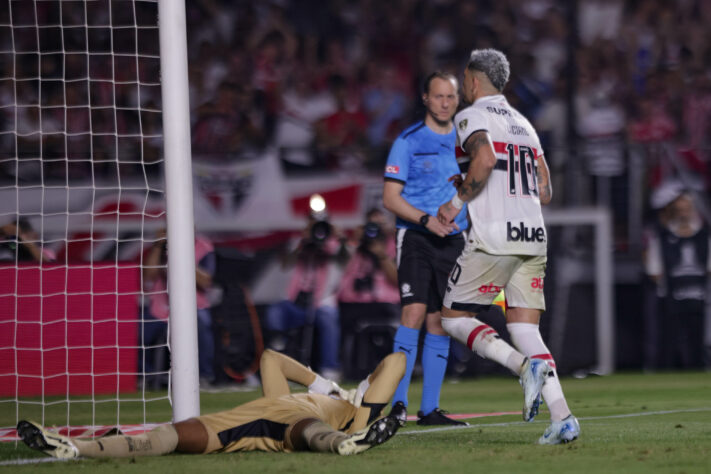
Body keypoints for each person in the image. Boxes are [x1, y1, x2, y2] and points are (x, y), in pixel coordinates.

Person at [436, 49, 579, 445]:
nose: (463, 87)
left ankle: (521, 368)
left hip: (496, 237)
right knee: (524, 328)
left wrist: (455, 203)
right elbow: (546, 191)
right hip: (533, 238)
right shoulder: (525, 124)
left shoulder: (471, 116)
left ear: (474, 81)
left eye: (465, 81)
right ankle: (564, 417)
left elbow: (483, 157)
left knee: (451, 317)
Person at [17, 349, 404, 459]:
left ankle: (344, 446)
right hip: (254, 418)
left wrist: (362, 409)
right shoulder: (326, 396)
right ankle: (76, 449)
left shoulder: (354, 416)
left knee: (312, 431)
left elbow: (396, 362)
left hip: (303, 423)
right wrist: (327, 385)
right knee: (171, 436)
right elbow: (271, 359)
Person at [381, 71, 471, 426]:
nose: (446, 103)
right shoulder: (408, 141)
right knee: (414, 315)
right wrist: (425, 221)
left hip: (454, 239)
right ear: (425, 99)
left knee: (441, 322)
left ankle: (430, 409)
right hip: (417, 236)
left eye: (451, 96)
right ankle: (397, 405)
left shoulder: (467, 141)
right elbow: (390, 198)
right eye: (439, 96)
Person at [265, 203, 348, 380]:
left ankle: (329, 368)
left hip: (321, 302)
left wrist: (335, 236)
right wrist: (304, 241)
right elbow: (285, 262)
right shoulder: (299, 240)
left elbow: (344, 257)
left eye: (321, 223)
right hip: (296, 301)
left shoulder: (333, 242)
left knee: (329, 317)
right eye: (313, 222)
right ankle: (277, 355)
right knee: (275, 312)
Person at [644, 182, 710, 369]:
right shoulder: (662, 238)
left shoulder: (704, 237)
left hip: (700, 297)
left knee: (698, 339)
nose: (683, 213)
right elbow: (654, 271)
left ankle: (698, 369)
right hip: (671, 297)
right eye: (679, 209)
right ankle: (666, 370)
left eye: (687, 209)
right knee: (669, 339)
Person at [141, 228, 217, 387]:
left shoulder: (204, 247)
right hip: (161, 308)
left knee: (202, 328)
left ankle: (204, 376)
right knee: (138, 331)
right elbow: (148, 275)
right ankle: (145, 376)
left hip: (195, 307)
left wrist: (181, 256)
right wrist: (158, 246)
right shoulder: (160, 248)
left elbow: (206, 281)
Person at [338, 208, 400, 379]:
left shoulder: (394, 244)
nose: (374, 231)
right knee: (339, 319)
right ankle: (345, 368)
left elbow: (397, 280)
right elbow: (340, 268)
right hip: (354, 303)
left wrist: (381, 254)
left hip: (385, 304)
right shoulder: (356, 246)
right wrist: (354, 242)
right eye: (370, 226)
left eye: (379, 225)